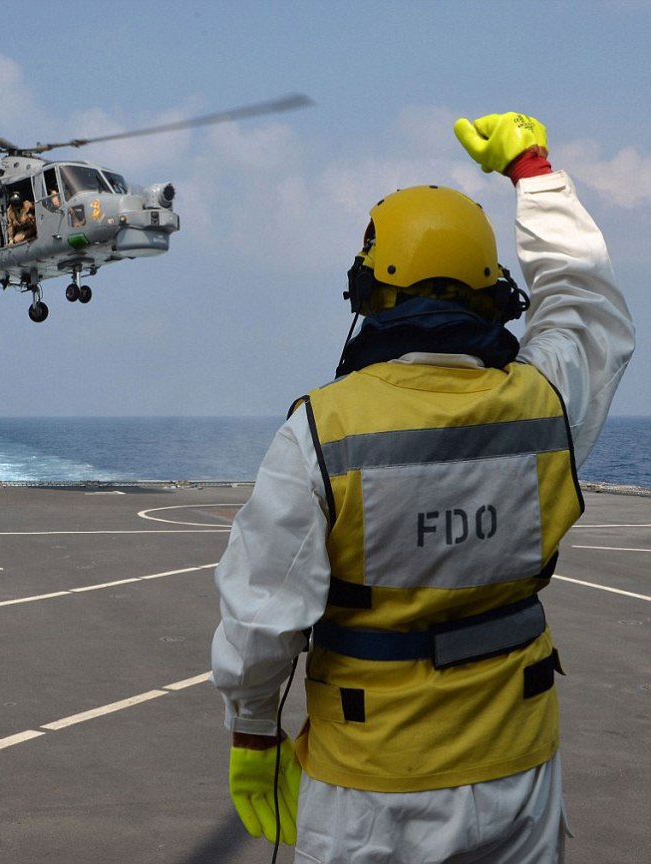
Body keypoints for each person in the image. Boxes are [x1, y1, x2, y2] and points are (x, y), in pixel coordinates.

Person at [211, 112, 634, 863]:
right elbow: (582, 297)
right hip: (519, 775)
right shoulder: (548, 403)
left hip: (370, 789)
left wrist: (251, 732)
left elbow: (260, 624)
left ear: (367, 296)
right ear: (492, 296)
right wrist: (533, 172)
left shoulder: (319, 432)